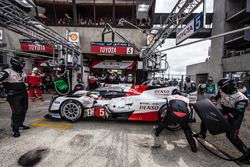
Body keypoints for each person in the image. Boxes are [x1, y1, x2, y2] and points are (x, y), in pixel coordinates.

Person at [194, 78, 250, 164]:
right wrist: (213, 102)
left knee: (231, 136)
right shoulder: (221, 91)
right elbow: (214, 97)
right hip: (224, 110)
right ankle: (202, 133)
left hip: (236, 116)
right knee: (207, 117)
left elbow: (238, 111)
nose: (222, 90)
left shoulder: (241, 98)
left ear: (229, 86)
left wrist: (225, 117)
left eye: (224, 88)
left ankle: (247, 155)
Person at [0, 57, 30, 137]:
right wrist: (2, 91)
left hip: (23, 94)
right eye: (21, 64)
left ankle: (20, 124)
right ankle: (15, 129)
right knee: (17, 111)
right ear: (16, 63)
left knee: (24, 109)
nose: (23, 65)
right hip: (13, 96)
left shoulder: (21, 72)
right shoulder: (7, 72)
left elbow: (22, 81)